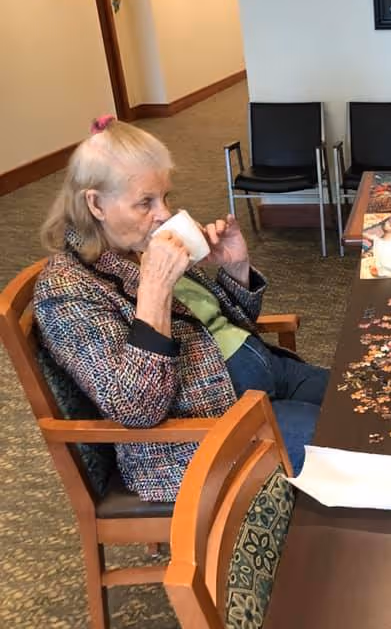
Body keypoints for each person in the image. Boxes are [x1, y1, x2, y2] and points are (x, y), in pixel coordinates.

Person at [35, 116, 329, 502]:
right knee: (342, 444)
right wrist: (155, 291)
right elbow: (136, 406)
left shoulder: (139, 247)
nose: (164, 213)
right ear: (96, 204)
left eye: (165, 198)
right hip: (204, 430)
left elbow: (225, 325)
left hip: (264, 376)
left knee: (360, 400)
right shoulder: (67, 289)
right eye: (146, 202)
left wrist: (235, 269)